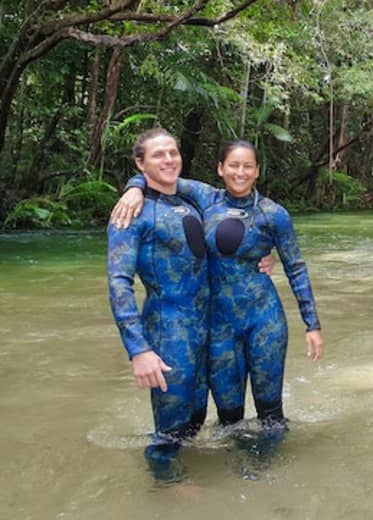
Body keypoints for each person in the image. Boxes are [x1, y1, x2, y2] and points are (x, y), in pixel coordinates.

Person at [112, 139, 324, 435]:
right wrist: (133, 188)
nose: (240, 172)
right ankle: (231, 473)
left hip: (265, 320)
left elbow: (296, 267)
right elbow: (158, 175)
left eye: (248, 166)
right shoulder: (204, 198)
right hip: (218, 325)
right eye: (233, 165)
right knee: (228, 419)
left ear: (257, 171)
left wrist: (311, 324)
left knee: (271, 415)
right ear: (220, 168)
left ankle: (268, 473)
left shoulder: (272, 214)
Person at [107, 128, 276, 480]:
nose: (168, 160)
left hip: (205, 330)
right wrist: (138, 350)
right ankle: (168, 487)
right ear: (140, 163)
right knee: (168, 430)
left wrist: (262, 254)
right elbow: (119, 283)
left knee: (195, 420)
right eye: (157, 155)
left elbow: (240, 203)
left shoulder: (195, 198)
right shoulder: (130, 215)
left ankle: (194, 475)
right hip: (168, 334)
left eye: (173, 152)